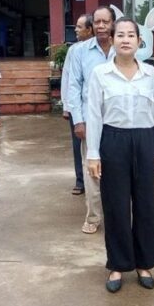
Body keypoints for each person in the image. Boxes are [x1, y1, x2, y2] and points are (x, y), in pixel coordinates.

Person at [86, 18, 154, 293]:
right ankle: (118, 264)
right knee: (116, 205)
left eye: (131, 35)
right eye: (120, 35)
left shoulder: (150, 73)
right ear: (112, 39)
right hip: (113, 141)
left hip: (145, 141)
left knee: (145, 204)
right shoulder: (101, 73)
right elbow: (94, 115)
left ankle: (144, 263)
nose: (125, 39)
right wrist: (93, 154)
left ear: (139, 41)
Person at [67, 6, 115, 234]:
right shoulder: (80, 52)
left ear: (113, 24)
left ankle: (117, 215)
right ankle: (94, 217)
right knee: (93, 171)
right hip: (90, 122)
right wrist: (78, 120)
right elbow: (74, 86)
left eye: (106, 22)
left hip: (118, 123)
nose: (101, 26)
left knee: (117, 170)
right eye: (97, 22)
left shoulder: (122, 49)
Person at [61, 14, 93, 196]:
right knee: (78, 145)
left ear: (89, 30)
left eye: (80, 27)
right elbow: (67, 77)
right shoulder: (74, 50)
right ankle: (80, 180)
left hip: (94, 107)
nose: (76, 30)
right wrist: (67, 106)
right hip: (76, 107)